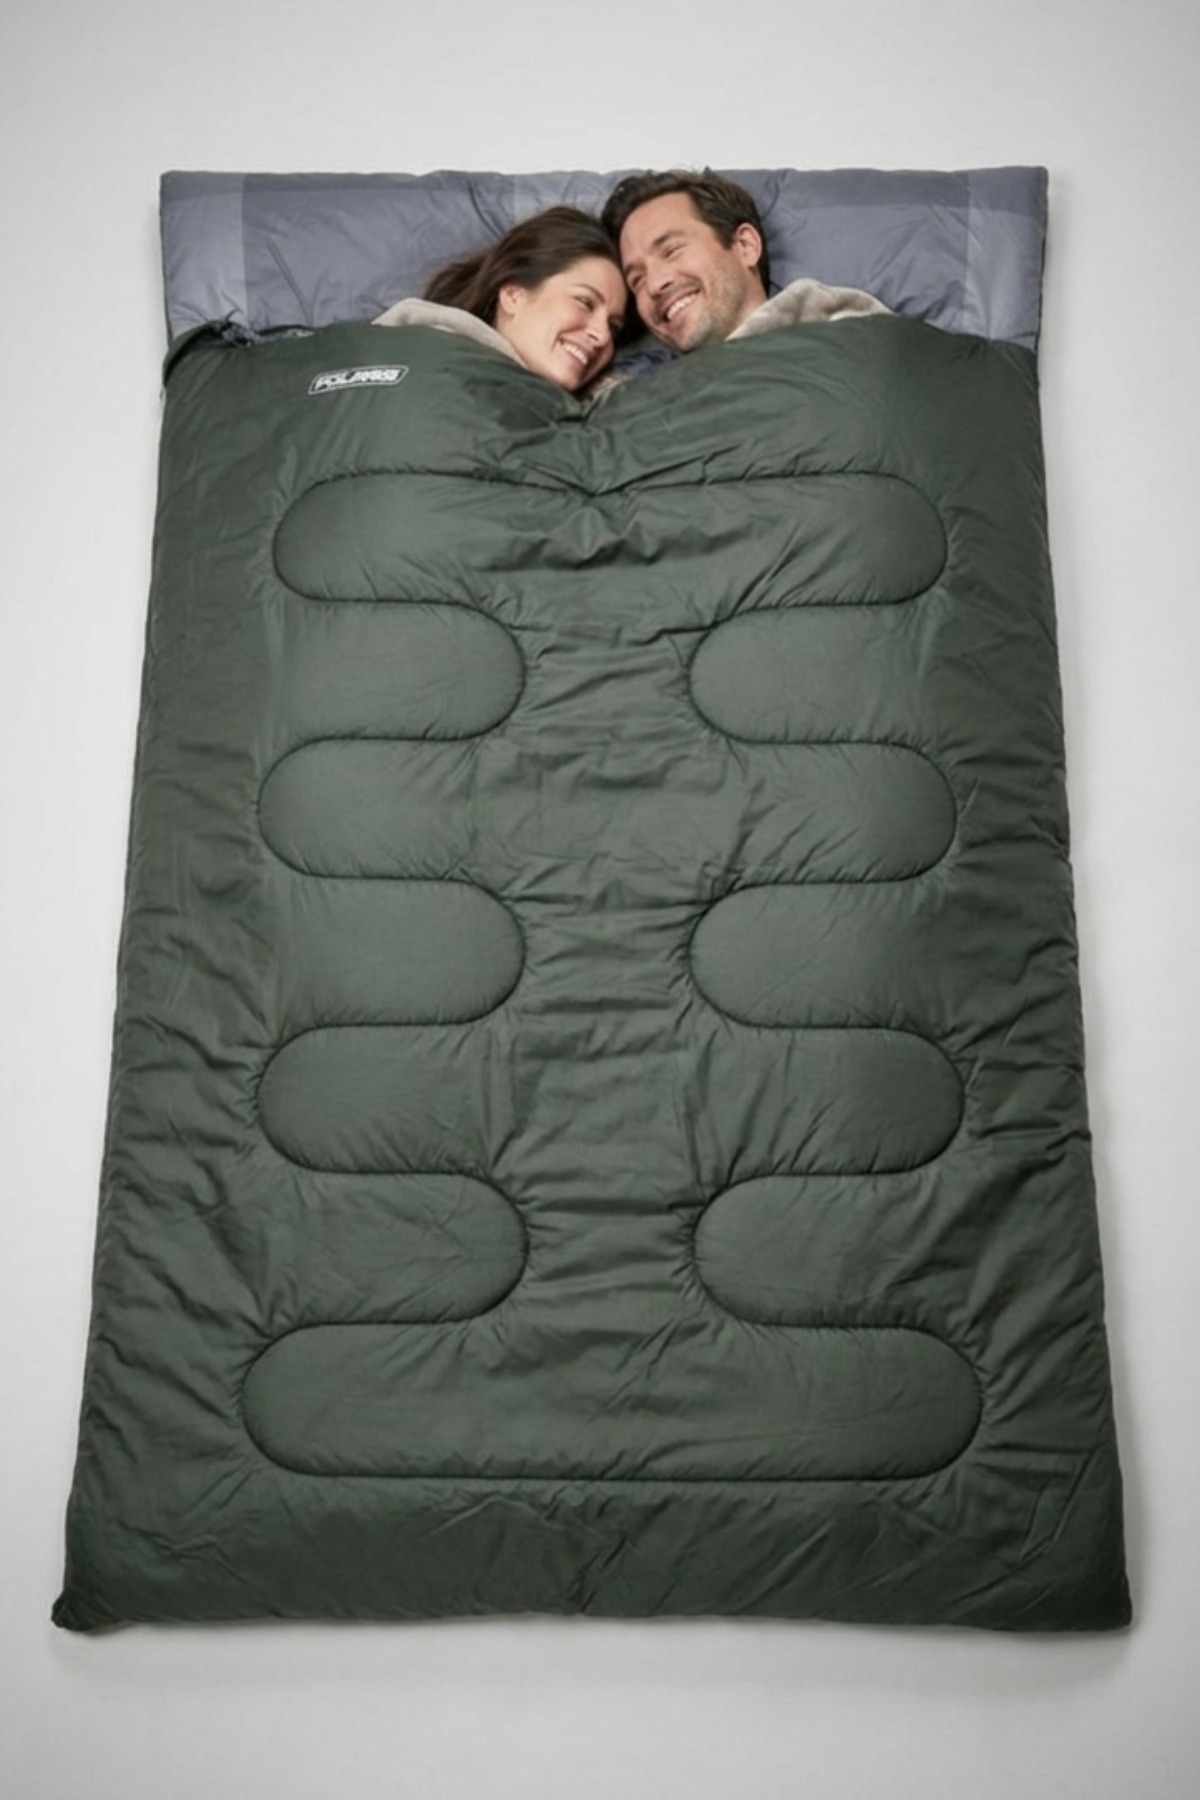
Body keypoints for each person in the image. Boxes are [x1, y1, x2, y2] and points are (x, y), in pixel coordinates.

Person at [600, 170, 889, 359]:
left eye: (672, 250)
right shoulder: (646, 397)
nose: (653, 284)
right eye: (636, 280)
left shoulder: (853, 337)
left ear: (745, 246)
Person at [374, 206, 627, 394]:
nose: (603, 336)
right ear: (513, 295)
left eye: (614, 327)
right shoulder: (407, 360)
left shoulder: (593, 418)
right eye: (584, 302)